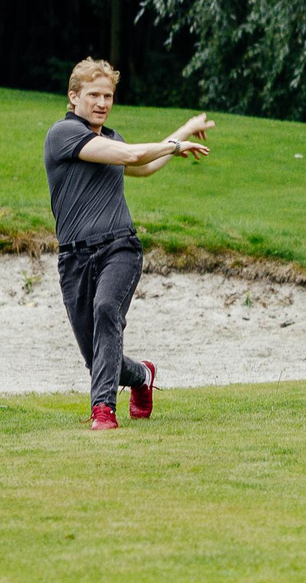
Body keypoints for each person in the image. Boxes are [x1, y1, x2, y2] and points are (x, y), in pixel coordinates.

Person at [44, 58, 211, 430]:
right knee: (99, 358)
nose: (102, 103)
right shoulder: (63, 134)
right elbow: (134, 156)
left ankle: (103, 410)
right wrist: (174, 142)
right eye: (93, 95)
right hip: (73, 259)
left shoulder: (112, 138)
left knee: (107, 309)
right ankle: (141, 376)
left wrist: (181, 136)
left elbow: (143, 166)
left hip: (119, 249)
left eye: (108, 96)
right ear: (74, 97)